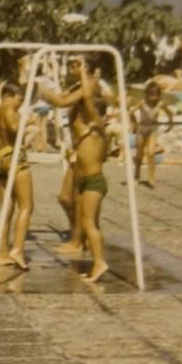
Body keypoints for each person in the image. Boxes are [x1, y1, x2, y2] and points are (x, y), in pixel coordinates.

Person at [67, 60, 111, 283]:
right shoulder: (93, 133)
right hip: (87, 181)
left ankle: (100, 262)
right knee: (86, 222)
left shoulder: (100, 130)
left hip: (94, 181)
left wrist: (84, 72)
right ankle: (97, 261)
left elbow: (86, 98)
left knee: (88, 224)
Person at [0, 82, 34, 269]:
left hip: (0, 161)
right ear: (8, 96)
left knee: (6, 210)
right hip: (15, 159)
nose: (20, 104)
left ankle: (2, 253)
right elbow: (15, 128)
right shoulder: (8, 110)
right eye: (19, 100)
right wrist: (29, 121)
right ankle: (17, 249)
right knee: (27, 207)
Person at [132, 79, 175, 188]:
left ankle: (151, 178)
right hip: (141, 129)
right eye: (151, 95)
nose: (153, 98)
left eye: (156, 95)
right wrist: (134, 123)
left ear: (159, 95)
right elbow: (130, 112)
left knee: (151, 154)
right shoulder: (142, 102)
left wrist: (170, 124)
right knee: (139, 155)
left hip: (152, 129)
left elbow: (170, 113)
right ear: (146, 94)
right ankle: (137, 175)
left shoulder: (160, 104)